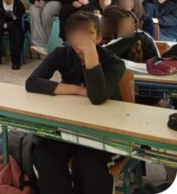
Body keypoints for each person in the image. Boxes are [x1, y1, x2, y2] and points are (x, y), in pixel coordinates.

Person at [25, 12, 125, 194]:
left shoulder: (113, 63)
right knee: (44, 153)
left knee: (87, 162)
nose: (80, 39)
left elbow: (97, 97)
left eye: (87, 33)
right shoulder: (62, 54)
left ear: (99, 38)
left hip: (106, 129)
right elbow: (33, 82)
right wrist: (78, 90)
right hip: (72, 124)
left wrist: (90, 54)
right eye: (75, 33)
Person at [0, 0, 26, 70]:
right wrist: (3, 24)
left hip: (14, 24)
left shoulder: (18, 3)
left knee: (17, 33)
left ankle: (16, 61)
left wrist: (8, 25)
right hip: (1, 24)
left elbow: (19, 19)